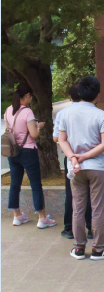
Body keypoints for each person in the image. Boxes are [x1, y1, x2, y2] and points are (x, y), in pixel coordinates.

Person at [58, 76, 104, 260]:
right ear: (97, 94)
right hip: (97, 167)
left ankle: (78, 248)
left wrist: (73, 157)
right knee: (97, 208)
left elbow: (62, 140)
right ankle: (98, 248)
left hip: (75, 168)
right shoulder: (101, 115)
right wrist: (85, 156)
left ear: (79, 93)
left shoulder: (66, 113)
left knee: (78, 208)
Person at [4, 83, 56, 228]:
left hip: (13, 151)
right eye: (31, 96)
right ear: (27, 95)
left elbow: (9, 130)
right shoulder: (27, 112)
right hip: (28, 151)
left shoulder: (8, 110)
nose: (31, 99)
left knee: (15, 184)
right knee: (36, 185)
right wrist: (38, 126)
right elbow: (33, 134)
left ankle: (17, 216)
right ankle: (42, 218)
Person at [53, 83, 93, 239]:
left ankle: (69, 229)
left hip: (71, 157)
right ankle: (91, 228)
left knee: (71, 193)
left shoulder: (63, 113)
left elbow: (56, 138)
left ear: (70, 96)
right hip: (90, 156)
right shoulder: (95, 112)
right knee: (90, 192)